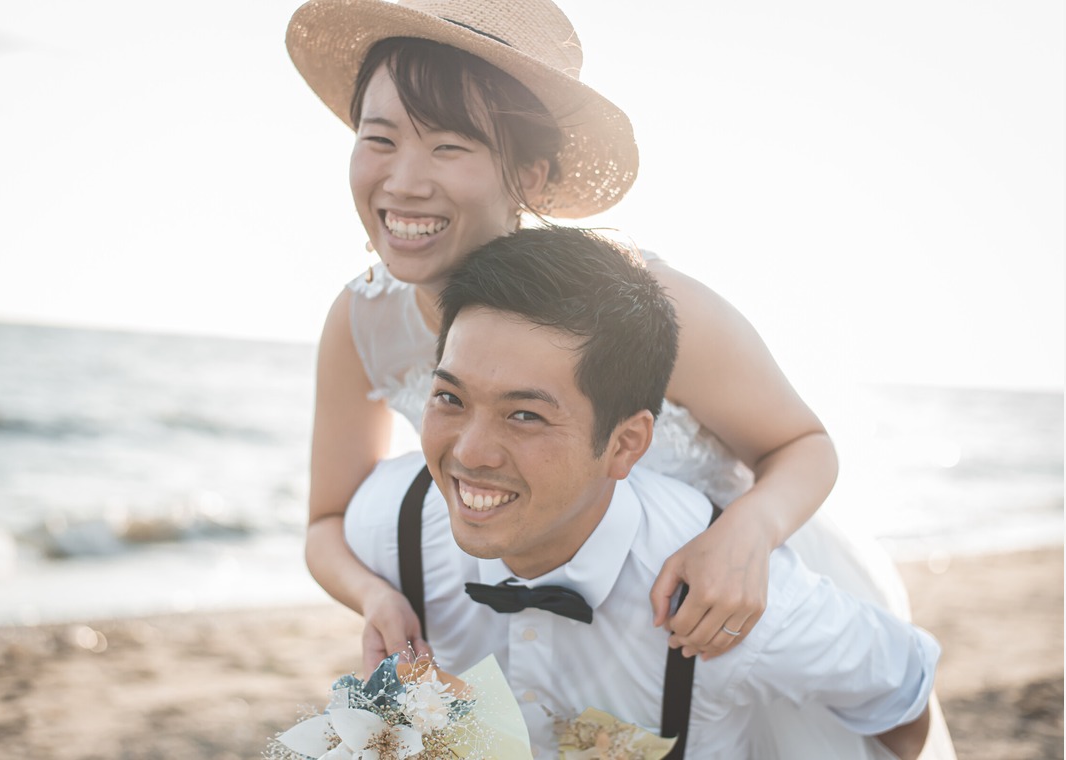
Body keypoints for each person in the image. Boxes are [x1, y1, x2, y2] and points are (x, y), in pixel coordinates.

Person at [284, 0, 956, 755]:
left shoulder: (644, 309)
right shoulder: (363, 316)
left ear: (528, 175)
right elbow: (326, 525)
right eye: (379, 139)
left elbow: (803, 444)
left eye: (450, 147)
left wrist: (747, 536)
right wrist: (380, 596)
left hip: (709, 600)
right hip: (542, 599)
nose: (404, 181)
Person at [343, 225, 937, 759]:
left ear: (626, 445)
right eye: (450, 398)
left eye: (524, 416)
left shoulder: (742, 606)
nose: (470, 453)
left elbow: (904, 701)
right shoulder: (390, 525)